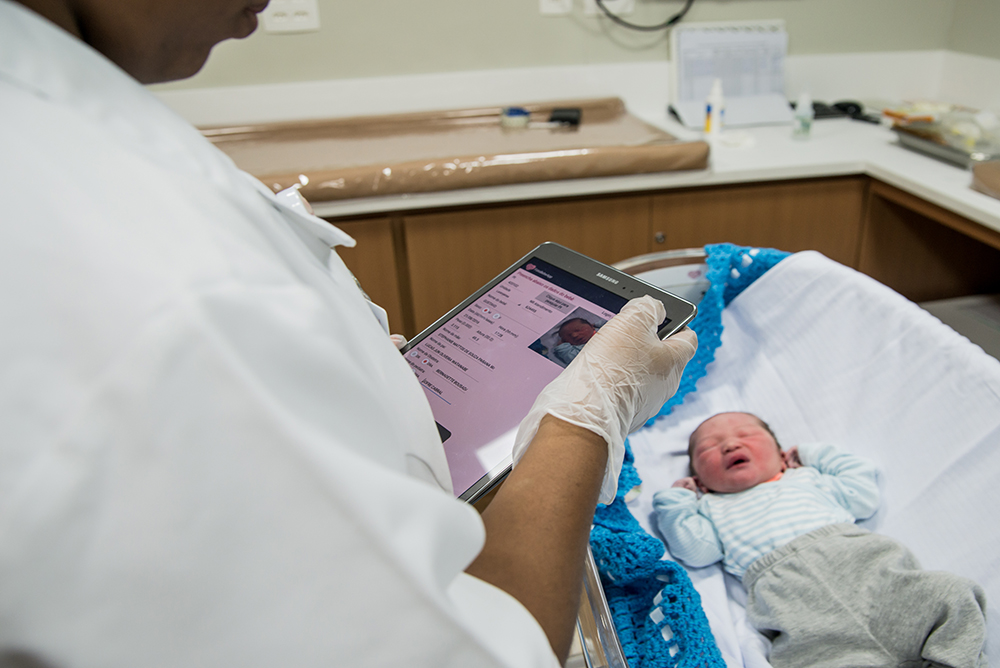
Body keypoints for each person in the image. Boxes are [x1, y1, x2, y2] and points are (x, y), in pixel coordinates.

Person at [0, 1, 698, 666]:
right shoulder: (172, 286)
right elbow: (478, 649)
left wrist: (354, 374)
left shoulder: (73, 134)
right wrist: (586, 416)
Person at [653, 412, 988, 668]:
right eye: (709, 447)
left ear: (783, 455)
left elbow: (863, 493)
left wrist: (815, 456)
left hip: (873, 575)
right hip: (803, 614)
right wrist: (677, 502)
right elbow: (695, 551)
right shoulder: (711, 507)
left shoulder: (808, 479)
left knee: (951, 593)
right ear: (699, 478)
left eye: (746, 434)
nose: (729, 444)